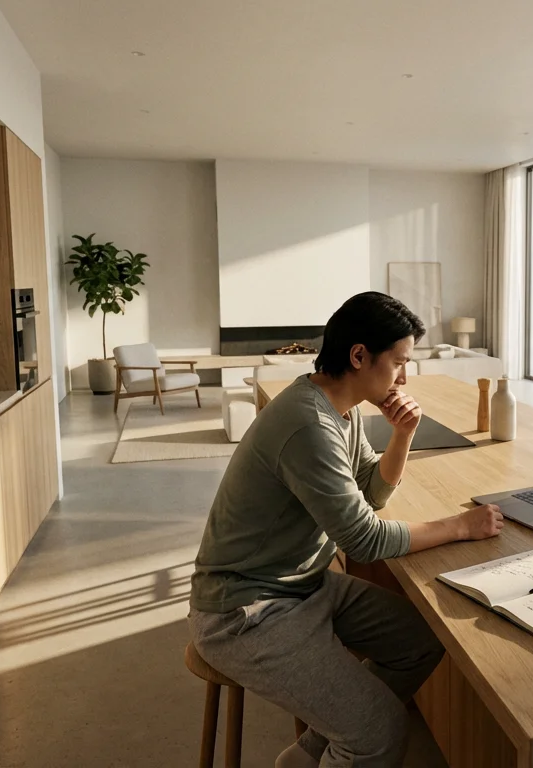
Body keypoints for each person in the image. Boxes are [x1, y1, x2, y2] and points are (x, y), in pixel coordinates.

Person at [189, 291, 505, 768]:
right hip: (245, 610)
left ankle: (310, 754)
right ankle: (353, 740)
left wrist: (402, 435)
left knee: (421, 642)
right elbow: (365, 539)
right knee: (380, 732)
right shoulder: (308, 424)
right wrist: (459, 526)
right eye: (399, 363)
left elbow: (371, 493)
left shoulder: (343, 408)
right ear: (359, 356)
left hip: (303, 586)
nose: (404, 377)